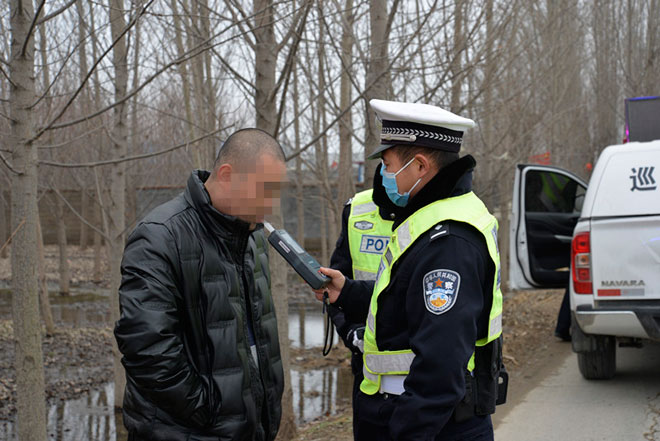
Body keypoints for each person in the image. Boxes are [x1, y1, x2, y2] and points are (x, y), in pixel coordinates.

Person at [314, 99, 504, 441]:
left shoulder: (448, 242)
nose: (384, 177)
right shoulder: (431, 221)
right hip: (412, 415)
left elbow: (440, 371)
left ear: (419, 166)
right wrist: (349, 294)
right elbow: (410, 300)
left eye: (388, 165)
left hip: (431, 426)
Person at [114, 128, 287, 441]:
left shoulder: (252, 238)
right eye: (265, 189)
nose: (271, 203)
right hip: (187, 431)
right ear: (226, 175)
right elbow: (147, 349)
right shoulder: (160, 236)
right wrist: (210, 411)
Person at [328, 182, 395, 440]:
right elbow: (335, 288)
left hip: (420, 376)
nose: (388, 172)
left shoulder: (437, 214)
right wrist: (348, 331)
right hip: (367, 372)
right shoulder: (357, 209)